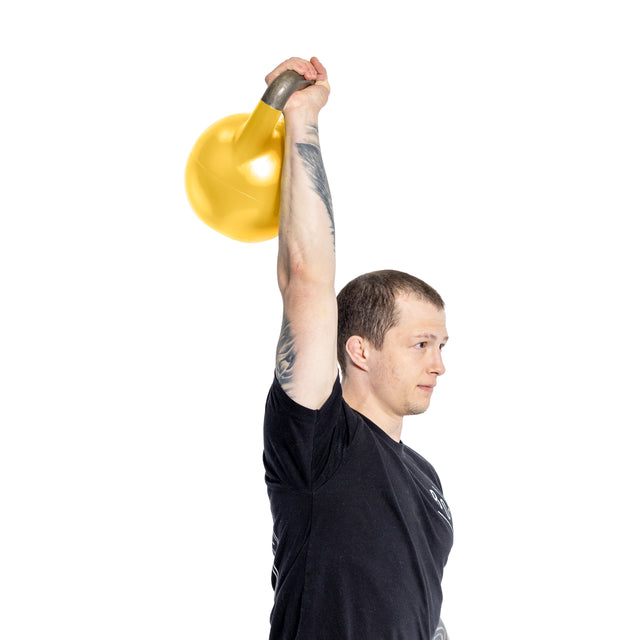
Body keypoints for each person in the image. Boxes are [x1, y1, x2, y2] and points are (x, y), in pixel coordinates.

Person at [263, 57, 453, 640]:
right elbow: (307, 279)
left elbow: (421, 610)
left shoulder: (424, 478)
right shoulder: (320, 440)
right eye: (421, 343)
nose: (439, 365)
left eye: (441, 345)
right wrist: (302, 118)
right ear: (360, 350)